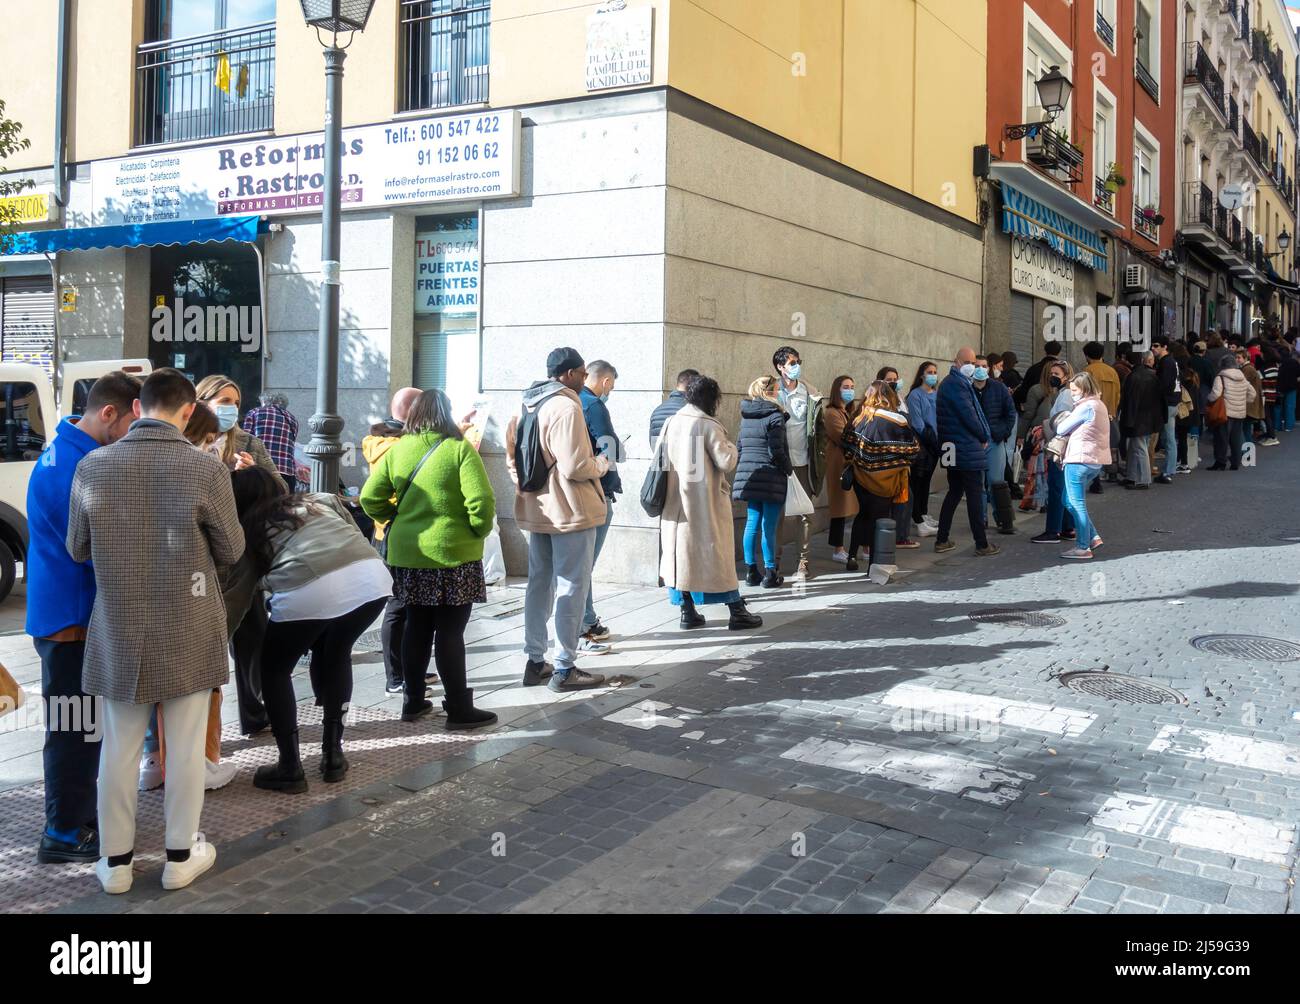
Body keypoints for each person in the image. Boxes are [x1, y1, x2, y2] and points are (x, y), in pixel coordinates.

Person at [68, 368, 244, 895]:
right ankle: (179, 855)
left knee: (118, 748)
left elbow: (78, 548)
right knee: (186, 748)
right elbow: (232, 550)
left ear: (139, 406)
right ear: (188, 411)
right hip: (187, 624)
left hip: (119, 625)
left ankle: (116, 863)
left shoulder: (93, 465)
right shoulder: (204, 469)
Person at [27, 372, 141, 865]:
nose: (129, 437)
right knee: (73, 729)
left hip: (67, 615)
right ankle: (64, 831)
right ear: (108, 413)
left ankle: (77, 818)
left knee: (81, 727)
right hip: (70, 621)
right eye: (128, 424)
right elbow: (92, 549)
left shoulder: (68, 455)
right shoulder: (75, 466)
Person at [233, 468, 392, 793]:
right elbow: (352, 539)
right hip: (371, 580)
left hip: (309, 588)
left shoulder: (249, 531)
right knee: (336, 653)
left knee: (274, 670)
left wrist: (209, 640)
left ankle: (290, 767)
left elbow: (239, 597)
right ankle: (333, 755)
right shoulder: (321, 500)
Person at [361, 389, 496, 725]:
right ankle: (459, 708)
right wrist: (475, 531)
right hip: (453, 555)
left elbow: (369, 497)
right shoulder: (458, 448)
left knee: (416, 627)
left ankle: (413, 701)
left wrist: (395, 518)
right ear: (445, 413)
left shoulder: (399, 448)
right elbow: (481, 501)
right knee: (450, 632)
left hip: (409, 553)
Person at [505, 348, 611, 693]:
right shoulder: (566, 406)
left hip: (538, 509)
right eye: (581, 372)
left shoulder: (525, 404)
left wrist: (526, 489)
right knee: (571, 585)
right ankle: (565, 667)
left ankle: (535, 661)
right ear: (566, 374)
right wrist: (602, 464)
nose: (585, 378)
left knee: (539, 583)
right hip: (571, 510)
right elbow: (576, 465)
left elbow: (512, 461)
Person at [196, 375, 276, 737]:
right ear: (204, 401)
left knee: (253, 633)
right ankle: (202, 722)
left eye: (235, 402)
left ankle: (254, 711)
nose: (230, 409)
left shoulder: (248, 442)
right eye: (223, 401)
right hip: (203, 555)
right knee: (209, 638)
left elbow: (279, 488)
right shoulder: (190, 441)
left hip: (243, 552)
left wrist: (253, 474)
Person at [658, 375, 762, 631]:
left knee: (679, 558)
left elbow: (662, 462)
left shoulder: (671, 422)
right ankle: (737, 611)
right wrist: (733, 447)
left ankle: (687, 611)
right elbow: (726, 461)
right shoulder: (708, 424)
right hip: (705, 504)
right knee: (717, 556)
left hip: (675, 503)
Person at [361, 387, 423, 696]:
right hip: (395, 533)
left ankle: (408, 671)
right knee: (399, 605)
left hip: (387, 530)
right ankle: (396, 676)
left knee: (408, 604)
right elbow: (373, 496)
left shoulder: (379, 440)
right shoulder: (399, 446)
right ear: (413, 411)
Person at [841, 381, 920, 570]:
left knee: (863, 515)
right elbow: (913, 450)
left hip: (861, 477)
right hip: (887, 480)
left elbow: (847, 443)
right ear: (890, 397)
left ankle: (852, 556)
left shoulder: (859, 417)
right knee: (880, 520)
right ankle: (874, 564)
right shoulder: (898, 421)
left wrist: (861, 461)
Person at [934, 348, 999, 556]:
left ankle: (942, 539)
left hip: (952, 446)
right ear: (957, 362)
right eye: (969, 361)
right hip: (964, 446)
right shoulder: (957, 385)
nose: (972, 365)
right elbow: (969, 415)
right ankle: (981, 544)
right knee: (973, 494)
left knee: (954, 492)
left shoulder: (951, 383)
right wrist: (983, 436)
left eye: (975, 361)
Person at [578, 361, 623, 653]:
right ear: (605, 381)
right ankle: (582, 626)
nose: (610, 392)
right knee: (583, 565)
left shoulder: (569, 402)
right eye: (612, 386)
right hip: (596, 489)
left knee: (579, 564)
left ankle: (588, 619)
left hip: (569, 494)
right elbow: (611, 446)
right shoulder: (593, 404)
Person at [772, 346, 826, 581]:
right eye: (791, 363)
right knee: (777, 514)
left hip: (803, 462)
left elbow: (818, 426)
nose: (796, 366)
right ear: (780, 367)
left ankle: (803, 562)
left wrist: (819, 453)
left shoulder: (809, 392)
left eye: (798, 361)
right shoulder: (771, 391)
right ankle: (773, 560)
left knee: (804, 514)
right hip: (778, 463)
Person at [734, 376, 791, 588]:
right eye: (777, 389)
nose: (779, 393)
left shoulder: (746, 416)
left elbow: (740, 446)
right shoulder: (774, 415)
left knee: (752, 523)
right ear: (769, 392)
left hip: (750, 475)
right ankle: (770, 573)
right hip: (771, 475)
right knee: (769, 525)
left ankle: (750, 572)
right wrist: (788, 470)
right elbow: (776, 450)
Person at [1053, 373, 1111, 561]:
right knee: (1067, 500)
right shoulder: (1099, 405)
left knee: (1076, 504)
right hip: (1094, 460)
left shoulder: (1085, 407)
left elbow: (1061, 429)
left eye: (1075, 391)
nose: (1072, 394)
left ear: (1085, 389)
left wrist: (1066, 417)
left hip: (1079, 459)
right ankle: (1092, 537)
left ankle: (1083, 547)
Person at [971, 354, 1016, 535]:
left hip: (994, 441)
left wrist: (1001, 433)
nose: (980, 369)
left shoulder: (999, 388)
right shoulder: (966, 389)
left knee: (997, 482)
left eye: (983, 366)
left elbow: (1010, 413)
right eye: (976, 366)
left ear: (988, 368)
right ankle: (980, 520)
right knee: (978, 485)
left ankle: (1004, 519)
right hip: (973, 442)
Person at [823, 375, 860, 563]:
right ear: (837, 389)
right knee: (839, 507)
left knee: (848, 507)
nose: (850, 390)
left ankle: (846, 546)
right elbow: (843, 436)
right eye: (846, 386)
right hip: (838, 465)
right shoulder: (831, 413)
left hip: (849, 464)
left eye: (852, 386)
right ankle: (838, 548)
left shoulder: (848, 411)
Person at [1118, 351, 1165, 489]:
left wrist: (1128, 420)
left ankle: (1143, 479)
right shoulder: (1152, 375)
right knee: (1136, 446)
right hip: (1150, 417)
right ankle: (1132, 476)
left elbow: (1131, 401)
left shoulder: (1134, 376)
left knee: (1139, 447)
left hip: (1138, 418)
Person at [905, 361, 941, 539]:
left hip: (936, 445)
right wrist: (933, 441)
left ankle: (923, 513)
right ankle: (918, 517)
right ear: (922, 374)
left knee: (926, 481)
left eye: (935, 372)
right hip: (924, 444)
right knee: (918, 483)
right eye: (929, 372)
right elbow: (918, 424)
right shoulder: (915, 395)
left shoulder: (937, 394)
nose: (933, 375)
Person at [240, 393, 300, 492]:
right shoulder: (292, 419)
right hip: (287, 472)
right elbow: (291, 443)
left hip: (262, 472)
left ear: (265, 401)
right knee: (283, 505)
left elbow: (245, 439)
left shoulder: (255, 412)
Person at [1082, 341, 1121, 492]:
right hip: (1109, 413)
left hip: (1092, 414)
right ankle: (1109, 473)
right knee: (1105, 446)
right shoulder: (1112, 371)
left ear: (1087, 356)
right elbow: (1117, 395)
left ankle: (1095, 481)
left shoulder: (1088, 371)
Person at [1207, 354, 1256, 471]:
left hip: (1225, 412)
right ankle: (1235, 462)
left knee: (1221, 438)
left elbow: (1215, 394)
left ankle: (1220, 462)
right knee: (1236, 438)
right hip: (1239, 413)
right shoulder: (1242, 377)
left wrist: (1208, 399)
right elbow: (1252, 393)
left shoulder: (1220, 377)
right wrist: (1243, 401)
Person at [1150, 336, 1180, 484]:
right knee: (1168, 438)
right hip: (1171, 403)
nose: (1153, 348)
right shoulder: (1170, 361)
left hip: (1168, 403)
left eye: (1156, 346)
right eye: (1152, 346)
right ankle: (1169, 470)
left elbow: (1166, 385)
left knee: (1168, 438)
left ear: (1164, 347)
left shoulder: (1166, 362)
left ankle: (1168, 471)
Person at [649, 369, 699, 446]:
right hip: (685, 457)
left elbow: (652, 442)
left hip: (661, 457)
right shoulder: (694, 411)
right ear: (695, 386)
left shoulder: (657, 411)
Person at [1014, 340, 1062, 411]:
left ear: (1045, 352)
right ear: (1059, 353)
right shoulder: (1062, 370)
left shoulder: (1034, 368)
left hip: (1033, 409)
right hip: (1054, 410)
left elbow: (1024, 390)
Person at [1239, 349, 1266, 444]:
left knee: (1245, 429)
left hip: (1249, 404)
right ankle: (1247, 450)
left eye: (1239, 357)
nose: (1237, 359)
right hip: (1251, 403)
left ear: (1245, 358)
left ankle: (1246, 451)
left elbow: (1241, 384)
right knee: (1246, 428)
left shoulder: (1247, 369)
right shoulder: (1250, 368)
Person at [1278, 342, 1300, 432]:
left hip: (1279, 386)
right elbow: (1298, 374)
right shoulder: (1294, 362)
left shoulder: (1278, 362)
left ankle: (1277, 426)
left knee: (1278, 406)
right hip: (1292, 386)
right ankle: (1289, 426)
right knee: (1290, 406)